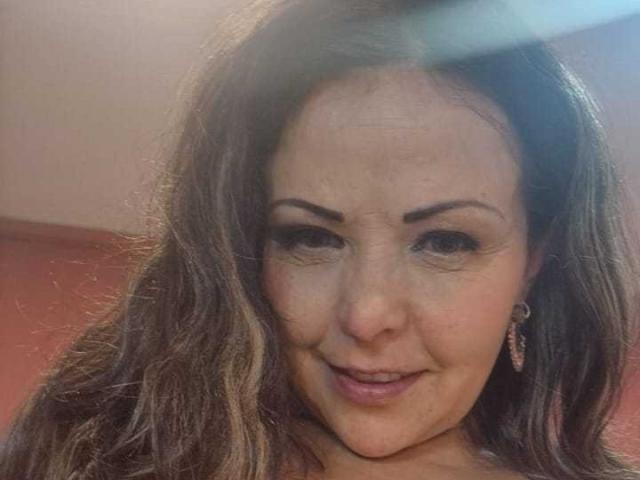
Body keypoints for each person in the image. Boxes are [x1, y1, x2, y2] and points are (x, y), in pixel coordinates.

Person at [1, 0, 639, 479]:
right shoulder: (93, 454)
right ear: (240, 247)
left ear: (533, 261)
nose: (366, 315)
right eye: (310, 236)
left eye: (445, 242)